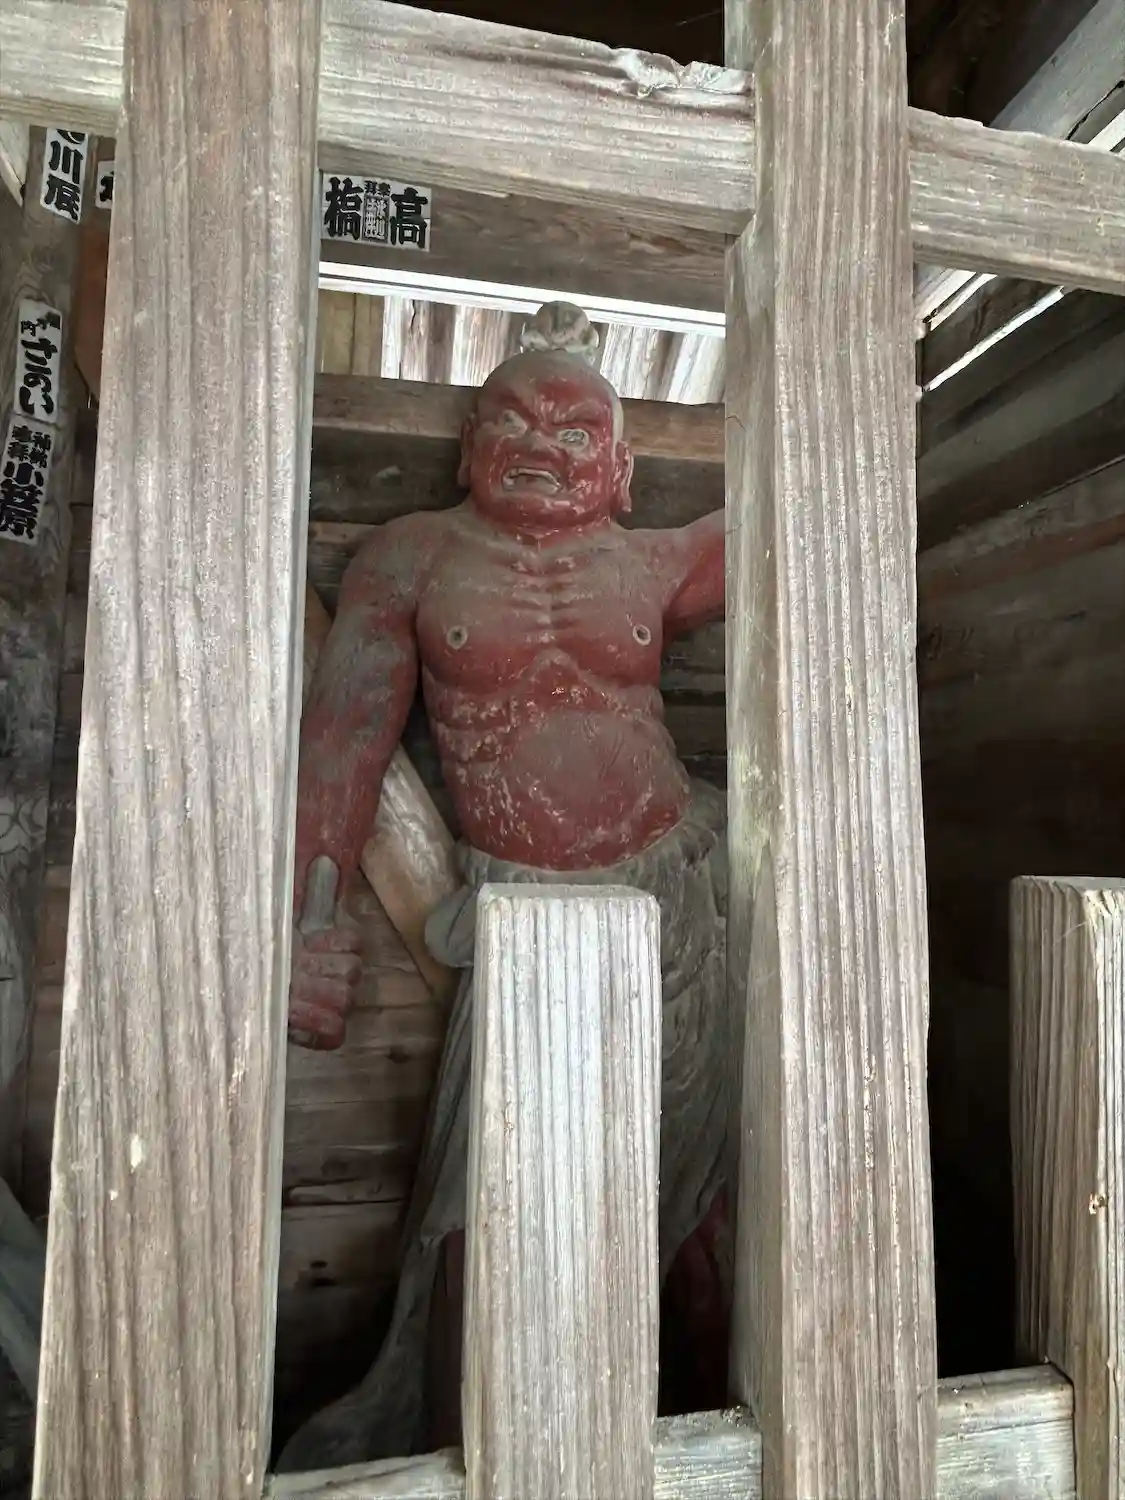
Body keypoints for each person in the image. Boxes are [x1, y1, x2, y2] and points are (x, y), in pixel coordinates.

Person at [280, 303, 728, 1469]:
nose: (542, 445)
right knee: (481, 1201)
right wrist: (309, 921)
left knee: (697, 1188)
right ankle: (461, 1446)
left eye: (578, 431)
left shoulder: (654, 559)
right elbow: (344, 739)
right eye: (514, 421)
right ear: (468, 444)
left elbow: (803, 520)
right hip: (518, 919)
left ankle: (692, 1439)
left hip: (675, 897)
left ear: (622, 471)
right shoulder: (414, 557)